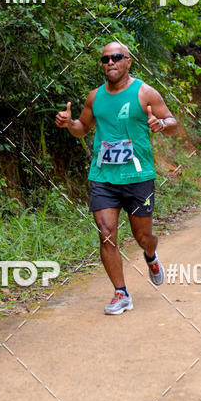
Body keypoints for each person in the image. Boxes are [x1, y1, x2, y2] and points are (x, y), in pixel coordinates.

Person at [55, 42, 178, 315]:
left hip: (138, 176)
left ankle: (150, 255)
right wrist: (69, 124)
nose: (110, 62)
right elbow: (83, 128)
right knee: (106, 233)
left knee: (143, 236)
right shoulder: (94, 97)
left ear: (128, 61)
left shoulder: (145, 93)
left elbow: (173, 123)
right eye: (105, 59)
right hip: (104, 176)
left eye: (116, 57)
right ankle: (121, 293)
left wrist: (162, 125)